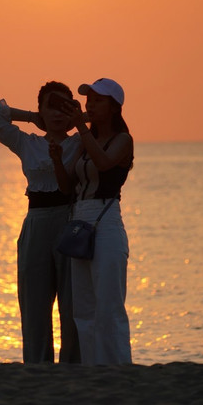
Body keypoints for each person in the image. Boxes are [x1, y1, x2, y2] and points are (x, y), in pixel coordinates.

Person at [0, 82, 82, 363]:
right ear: (41, 110)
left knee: (72, 302)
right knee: (34, 303)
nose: (58, 114)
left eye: (65, 106)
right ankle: (38, 368)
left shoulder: (79, 141)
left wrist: (78, 119)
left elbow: (106, 121)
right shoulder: (28, 142)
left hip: (70, 221)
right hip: (36, 223)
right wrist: (31, 116)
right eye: (51, 106)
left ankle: (72, 365)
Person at [49, 78, 133, 366]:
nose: (90, 105)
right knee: (83, 306)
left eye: (98, 101)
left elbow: (105, 163)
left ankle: (118, 366)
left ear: (114, 107)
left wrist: (82, 128)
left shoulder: (122, 139)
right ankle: (92, 367)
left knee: (109, 303)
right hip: (81, 218)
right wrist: (58, 160)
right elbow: (65, 187)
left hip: (106, 218)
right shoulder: (87, 141)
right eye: (89, 100)